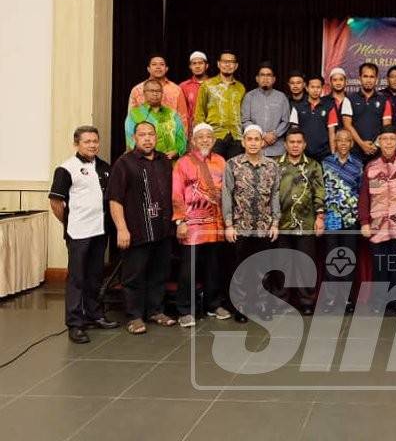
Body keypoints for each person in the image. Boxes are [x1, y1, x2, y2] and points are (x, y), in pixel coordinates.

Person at [49, 125, 118, 344]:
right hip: (78, 231)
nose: (92, 145)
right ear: (76, 144)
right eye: (87, 141)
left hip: (100, 230)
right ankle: (75, 323)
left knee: (95, 276)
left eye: (95, 141)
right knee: (77, 278)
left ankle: (95, 314)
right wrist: (68, 223)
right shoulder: (66, 168)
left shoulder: (105, 167)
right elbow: (56, 202)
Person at [107, 121, 176, 335]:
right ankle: (134, 317)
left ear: (156, 137)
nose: (147, 138)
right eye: (142, 135)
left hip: (162, 230)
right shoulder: (124, 163)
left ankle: (156, 311)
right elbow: (115, 199)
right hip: (136, 230)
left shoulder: (164, 161)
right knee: (133, 276)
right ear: (134, 138)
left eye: (151, 134)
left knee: (159, 274)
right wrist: (121, 228)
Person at [222, 124, 281, 323]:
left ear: (262, 142)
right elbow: (227, 195)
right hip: (240, 226)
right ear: (243, 142)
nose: (253, 143)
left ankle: (262, 304)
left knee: (262, 268)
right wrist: (229, 224)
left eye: (257, 139)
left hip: (264, 227)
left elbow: (275, 195)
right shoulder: (232, 164)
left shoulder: (272, 166)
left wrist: (275, 222)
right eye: (250, 139)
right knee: (241, 269)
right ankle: (241, 307)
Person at [172, 123, 229, 328]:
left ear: (214, 141)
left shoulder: (221, 161)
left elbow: (228, 193)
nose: (205, 140)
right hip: (192, 225)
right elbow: (177, 194)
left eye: (209, 137)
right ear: (193, 141)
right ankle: (185, 309)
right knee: (189, 270)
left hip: (215, 224)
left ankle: (214, 305)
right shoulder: (183, 163)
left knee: (214, 268)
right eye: (200, 137)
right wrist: (180, 221)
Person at [358, 126, 396, 315]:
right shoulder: (371, 167)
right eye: (385, 139)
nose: (388, 142)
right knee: (380, 265)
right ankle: (379, 302)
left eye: (392, 139)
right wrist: (364, 221)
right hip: (377, 224)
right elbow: (364, 196)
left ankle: (395, 303)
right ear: (379, 142)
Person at [275, 128, 326, 315]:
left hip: (306, 223)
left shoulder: (313, 166)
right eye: (292, 142)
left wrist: (320, 217)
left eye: (299, 142)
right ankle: (282, 302)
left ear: (304, 145)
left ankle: (307, 302)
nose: (295, 146)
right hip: (282, 224)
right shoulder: (275, 166)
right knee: (283, 264)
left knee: (306, 264)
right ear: (285, 144)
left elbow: (319, 192)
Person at [320, 129, 363, 313]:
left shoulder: (358, 165)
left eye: (347, 140)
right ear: (335, 143)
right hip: (331, 219)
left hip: (350, 220)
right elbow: (321, 191)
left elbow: (361, 193)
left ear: (352, 144)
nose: (343, 144)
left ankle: (345, 300)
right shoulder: (326, 163)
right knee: (332, 259)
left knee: (347, 259)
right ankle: (330, 300)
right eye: (340, 140)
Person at [194, 50, 247, 159]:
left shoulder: (240, 88)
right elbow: (199, 113)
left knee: (234, 172)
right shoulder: (207, 85)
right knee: (214, 172)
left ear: (236, 66)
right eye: (224, 61)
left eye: (231, 62)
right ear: (218, 64)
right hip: (214, 136)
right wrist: (203, 136)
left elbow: (243, 114)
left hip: (236, 137)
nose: (228, 64)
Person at [124, 79, 187, 160]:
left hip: (170, 162)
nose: (155, 93)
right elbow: (130, 140)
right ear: (144, 93)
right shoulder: (134, 114)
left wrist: (177, 151)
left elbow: (181, 138)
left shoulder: (172, 114)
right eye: (151, 91)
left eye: (158, 91)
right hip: (143, 162)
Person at [342, 62, 392, 162]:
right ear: (360, 78)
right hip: (355, 152)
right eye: (365, 76)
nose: (368, 80)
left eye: (371, 77)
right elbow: (347, 125)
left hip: (376, 151)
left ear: (376, 79)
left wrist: (375, 145)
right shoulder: (349, 99)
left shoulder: (384, 100)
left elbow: (386, 127)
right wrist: (362, 144)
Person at [129, 53, 190, 135]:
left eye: (162, 64)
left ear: (166, 69)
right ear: (148, 69)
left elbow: (183, 118)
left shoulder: (176, 90)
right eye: (154, 64)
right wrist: (132, 143)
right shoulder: (137, 90)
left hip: (169, 139)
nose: (158, 67)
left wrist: (181, 142)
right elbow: (131, 118)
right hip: (144, 139)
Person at [241, 61, 291, 159]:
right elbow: (245, 120)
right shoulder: (249, 97)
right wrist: (262, 135)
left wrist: (275, 135)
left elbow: (286, 121)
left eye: (269, 75)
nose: (265, 78)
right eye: (262, 75)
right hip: (255, 149)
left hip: (277, 150)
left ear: (274, 79)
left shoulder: (281, 97)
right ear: (257, 79)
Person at [289, 75, 336, 163]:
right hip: (303, 153)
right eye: (312, 87)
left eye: (318, 87)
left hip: (324, 153)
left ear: (322, 88)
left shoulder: (329, 107)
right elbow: (294, 132)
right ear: (306, 88)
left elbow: (332, 132)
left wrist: (333, 154)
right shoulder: (297, 107)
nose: (315, 90)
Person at [179, 50, 210, 133]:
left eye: (200, 63)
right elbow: (181, 112)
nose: (197, 66)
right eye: (194, 63)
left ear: (206, 66)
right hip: (191, 130)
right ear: (190, 66)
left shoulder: (214, 85)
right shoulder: (183, 86)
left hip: (211, 129)